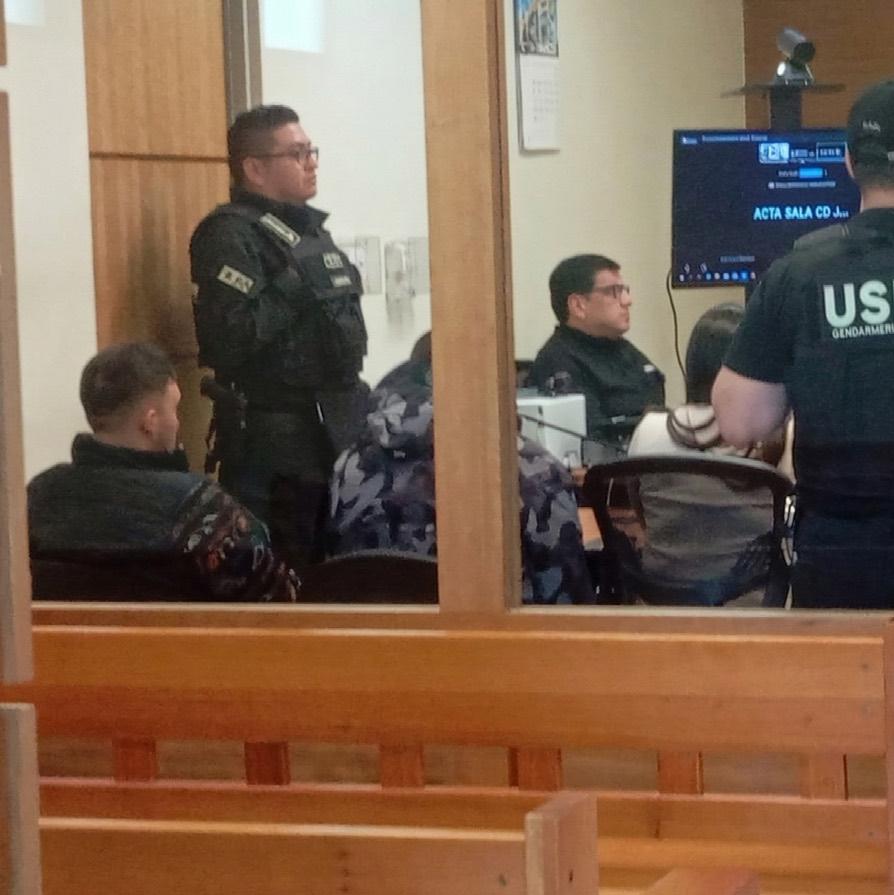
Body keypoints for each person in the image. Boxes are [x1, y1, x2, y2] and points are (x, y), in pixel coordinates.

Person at [712, 79, 894, 611]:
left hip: (840, 554)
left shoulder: (797, 271)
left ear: (850, 164)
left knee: (854, 666)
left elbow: (740, 422)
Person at [189, 104, 369, 571]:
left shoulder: (310, 233)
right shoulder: (229, 235)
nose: (311, 163)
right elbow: (229, 338)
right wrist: (294, 287)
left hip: (337, 431)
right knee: (287, 571)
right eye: (297, 153)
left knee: (342, 568)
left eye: (311, 151)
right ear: (254, 168)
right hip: (276, 446)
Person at [327, 334, 594, 604]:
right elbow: (567, 604)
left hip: (366, 629)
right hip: (483, 628)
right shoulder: (532, 469)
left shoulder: (349, 463)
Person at [27, 342, 297, 601]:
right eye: (174, 408)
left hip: (54, 636)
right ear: (151, 421)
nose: (177, 421)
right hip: (183, 636)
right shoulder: (201, 509)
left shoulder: (37, 496)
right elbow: (279, 598)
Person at [627, 303, 789, 606]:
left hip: (659, 607)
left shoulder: (648, 429)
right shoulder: (778, 435)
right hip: (754, 607)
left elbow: (643, 516)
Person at [528, 254, 664, 459]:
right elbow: (594, 445)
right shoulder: (558, 361)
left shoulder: (623, 349)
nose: (628, 301)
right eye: (614, 292)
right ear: (578, 305)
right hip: (613, 473)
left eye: (625, 290)